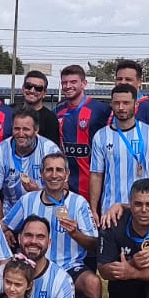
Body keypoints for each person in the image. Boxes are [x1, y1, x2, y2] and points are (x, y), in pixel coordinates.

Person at [0, 153, 102, 298]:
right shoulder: (28, 200)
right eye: (49, 170)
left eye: (59, 170)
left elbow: (93, 244)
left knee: (93, 283)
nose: (54, 175)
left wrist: (76, 233)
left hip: (70, 266)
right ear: (41, 174)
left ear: (67, 174)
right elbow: (4, 225)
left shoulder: (78, 203)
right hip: (34, 266)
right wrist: (3, 233)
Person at [89, 84, 149, 225]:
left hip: (145, 209)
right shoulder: (100, 136)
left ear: (136, 104)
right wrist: (94, 209)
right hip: (110, 212)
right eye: (116, 103)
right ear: (111, 104)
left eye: (126, 103)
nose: (121, 107)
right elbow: (96, 175)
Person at [0, 109, 62, 218]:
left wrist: (38, 192)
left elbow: (63, 188)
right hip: (11, 214)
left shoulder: (50, 150)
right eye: (17, 129)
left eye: (26, 129)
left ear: (36, 130)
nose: (21, 134)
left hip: (44, 213)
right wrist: (5, 228)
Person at [55, 64, 111, 202]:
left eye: (73, 82)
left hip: (94, 184)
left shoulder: (101, 110)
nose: (68, 86)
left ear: (84, 83)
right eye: (64, 83)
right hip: (66, 184)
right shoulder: (58, 111)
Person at [113, 59, 149, 133]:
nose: (123, 82)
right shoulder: (111, 108)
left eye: (128, 79)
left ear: (139, 82)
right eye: (119, 79)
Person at [15, 70, 62, 146]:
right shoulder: (10, 111)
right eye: (28, 86)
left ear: (44, 93)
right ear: (23, 89)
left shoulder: (50, 119)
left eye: (38, 88)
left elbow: (52, 151)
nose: (32, 90)